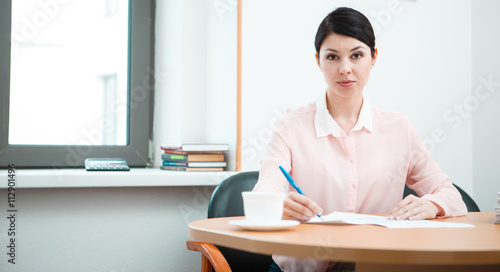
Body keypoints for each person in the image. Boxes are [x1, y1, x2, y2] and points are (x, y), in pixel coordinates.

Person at [252, 7, 467, 272]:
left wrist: (431, 204)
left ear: (373, 57)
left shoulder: (398, 127)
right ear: (318, 60)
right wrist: (276, 205)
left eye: (357, 55)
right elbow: (264, 192)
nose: (345, 69)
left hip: (374, 267)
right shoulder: (291, 126)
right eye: (332, 57)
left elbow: (452, 196)